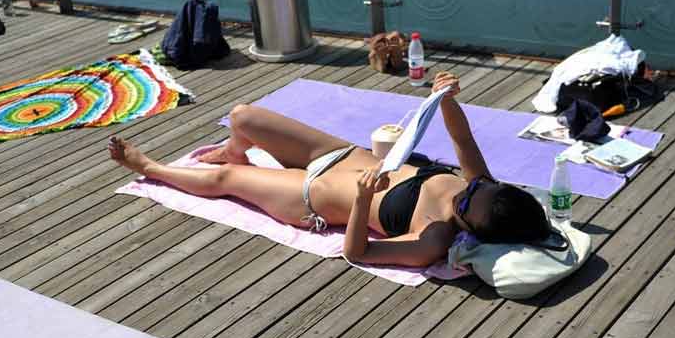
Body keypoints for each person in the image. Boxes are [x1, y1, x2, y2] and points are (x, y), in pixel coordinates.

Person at [109, 72, 550, 267]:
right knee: (243, 116)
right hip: (337, 153)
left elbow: (358, 253)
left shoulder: (433, 238)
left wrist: (362, 200)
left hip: (308, 195)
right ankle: (234, 149)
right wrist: (448, 98)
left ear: (475, 231)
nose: (466, 192)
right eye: (479, 189)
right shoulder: (480, 184)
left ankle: (150, 167)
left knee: (226, 182)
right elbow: (463, 140)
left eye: (468, 204)